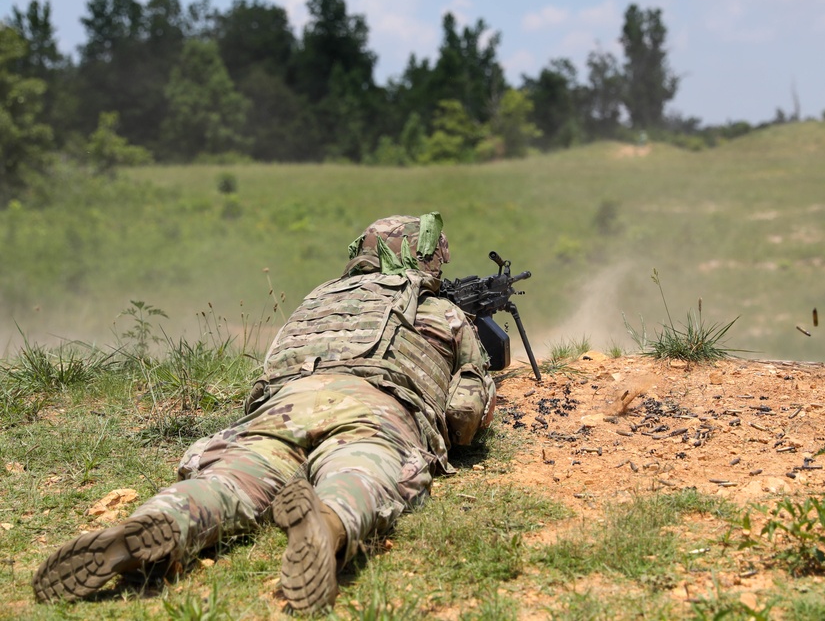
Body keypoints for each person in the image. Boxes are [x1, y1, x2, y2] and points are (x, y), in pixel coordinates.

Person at [33, 212, 496, 613]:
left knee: (228, 482)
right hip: (374, 407)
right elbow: (463, 412)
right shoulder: (441, 312)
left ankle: (160, 522)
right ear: (422, 256)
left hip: (284, 408)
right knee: (362, 470)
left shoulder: (316, 302)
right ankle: (329, 524)